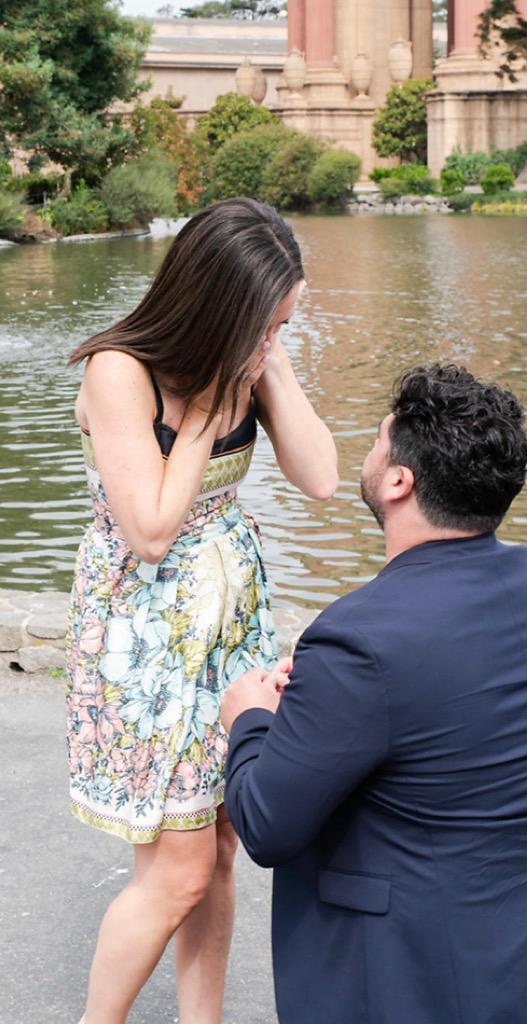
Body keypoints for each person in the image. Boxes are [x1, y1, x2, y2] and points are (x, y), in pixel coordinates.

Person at [65, 197, 338, 1024]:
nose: (274, 334)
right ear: (216, 303)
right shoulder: (120, 372)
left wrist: (273, 367)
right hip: (147, 636)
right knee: (176, 870)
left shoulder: (248, 358)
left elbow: (322, 478)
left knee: (219, 851)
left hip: (231, 627)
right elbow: (148, 530)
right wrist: (201, 428)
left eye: (283, 321)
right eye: (267, 321)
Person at [219, 364, 527, 1024]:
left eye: (378, 442)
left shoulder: (358, 638)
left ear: (400, 481)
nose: (369, 455)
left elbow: (265, 825)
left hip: (402, 971)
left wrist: (250, 718)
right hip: (521, 945)